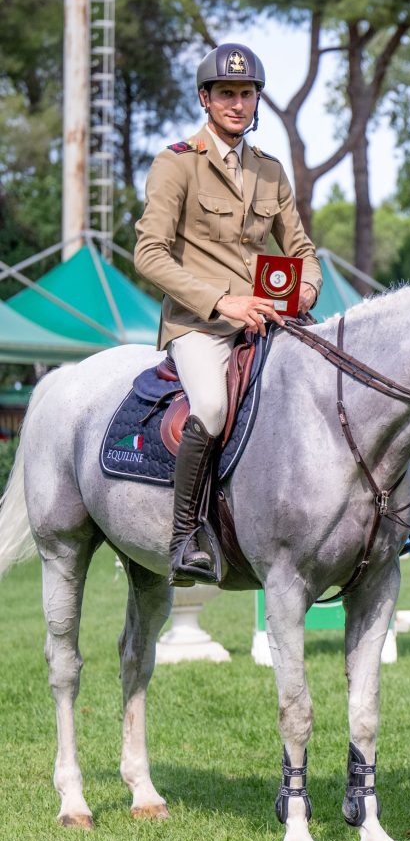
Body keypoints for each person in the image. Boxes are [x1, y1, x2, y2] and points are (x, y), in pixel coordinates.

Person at [135, 42, 322, 587]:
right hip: (202, 326)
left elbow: (302, 250)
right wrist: (222, 301)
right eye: (226, 94)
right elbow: (149, 255)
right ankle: (184, 537)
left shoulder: (270, 171)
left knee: (329, 388)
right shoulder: (177, 163)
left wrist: (306, 290)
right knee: (213, 407)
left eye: (246, 94)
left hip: (272, 318)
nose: (237, 103)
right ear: (205, 99)